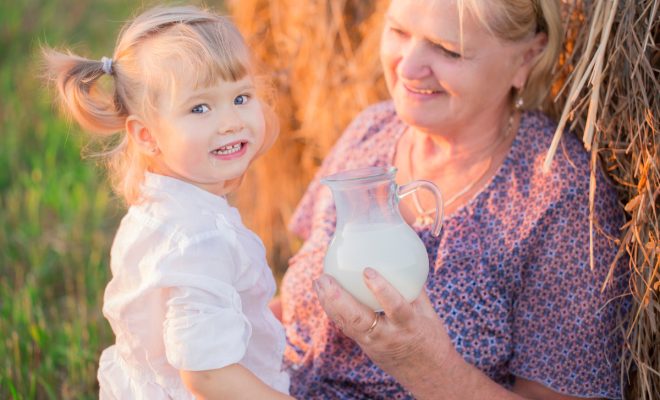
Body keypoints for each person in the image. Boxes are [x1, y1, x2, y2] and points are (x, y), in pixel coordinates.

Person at [278, 0, 630, 399]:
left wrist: (427, 368)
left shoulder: (559, 196)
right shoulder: (371, 131)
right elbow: (292, 313)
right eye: (398, 32)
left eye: (448, 50)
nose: (407, 68)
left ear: (526, 59)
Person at [43, 6, 293, 399]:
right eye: (200, 107)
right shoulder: (199, 238)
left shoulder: (159, 209)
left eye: (241, 96)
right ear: (146, 136)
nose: (230, 121)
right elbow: (208, 374)